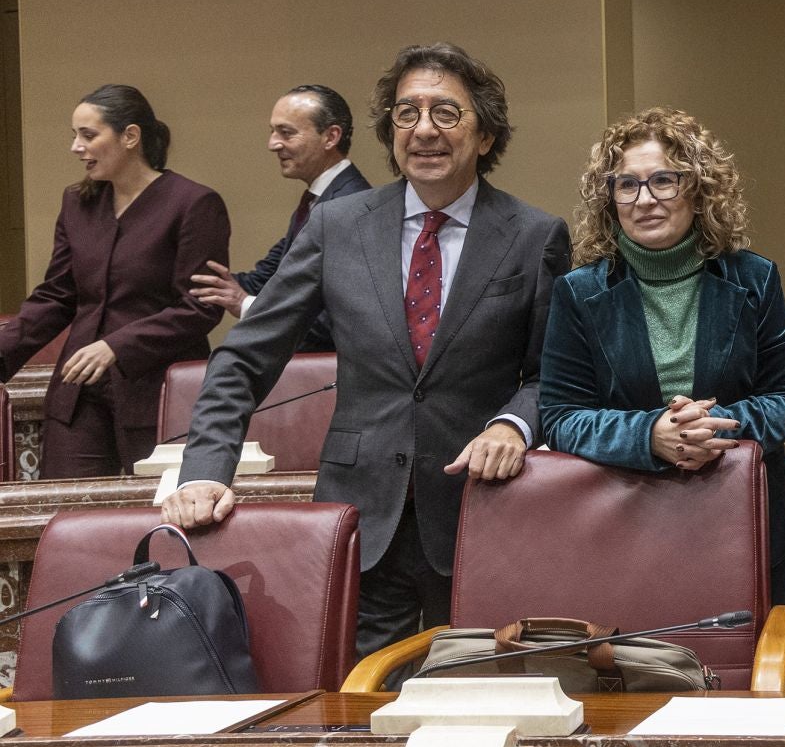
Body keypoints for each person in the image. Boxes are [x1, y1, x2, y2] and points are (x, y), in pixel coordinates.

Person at [161, 43, 571, 655]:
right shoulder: (338, 225)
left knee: (470, 694)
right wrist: (202, 471)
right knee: (358, 709)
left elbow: (553, 376)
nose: (423, 130)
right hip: (358, 515)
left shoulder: (535, 235)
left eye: (446, 113)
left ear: (485, 135)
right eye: (407, 114)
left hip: (477, 509)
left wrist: (513, 425)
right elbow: (245, 357)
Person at [540, 108, 785, 604]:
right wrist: (650, 435)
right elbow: (560, 417)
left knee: (752, 678)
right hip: (625, 520)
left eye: (664, 181)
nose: (645, 200)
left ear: (699, 188)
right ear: (610, 198)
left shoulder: (754, 278)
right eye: (627, 185)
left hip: (748, 516)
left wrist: (712, 427)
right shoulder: (579, 293)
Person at [0, 86, 230, 478]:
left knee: (154, 517)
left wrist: (115, 347)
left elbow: (199, 307)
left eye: (88, 135)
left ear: (130, 137)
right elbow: (57, 296)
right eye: (74, 135)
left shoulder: (193, 203)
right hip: (79, 393)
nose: (76, 147)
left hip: (159, 392)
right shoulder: (78, 202)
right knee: (70, 515)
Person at [189, 85, 374, 352]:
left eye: (286, 133)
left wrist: (244, 304)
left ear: (331, 137)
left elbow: (335, 320)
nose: (273, 144)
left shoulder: (351, 206)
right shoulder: (318, 200)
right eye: (273, 132)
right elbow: (267, 278)